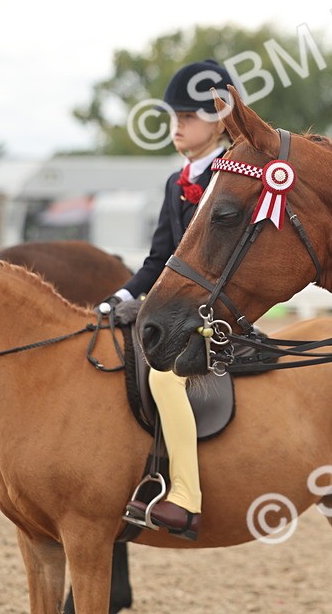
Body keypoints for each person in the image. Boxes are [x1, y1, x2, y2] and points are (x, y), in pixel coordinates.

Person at [110, 59, 234, 541]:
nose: (177, 125)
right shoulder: (174, 181)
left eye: (189, 116)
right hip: (180, 303)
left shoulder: (231, 176)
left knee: (165, 377)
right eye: (174, 116)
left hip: (215, 308)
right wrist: (118, 296)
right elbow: (160, 256)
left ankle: (184, 495)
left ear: (220, 120)